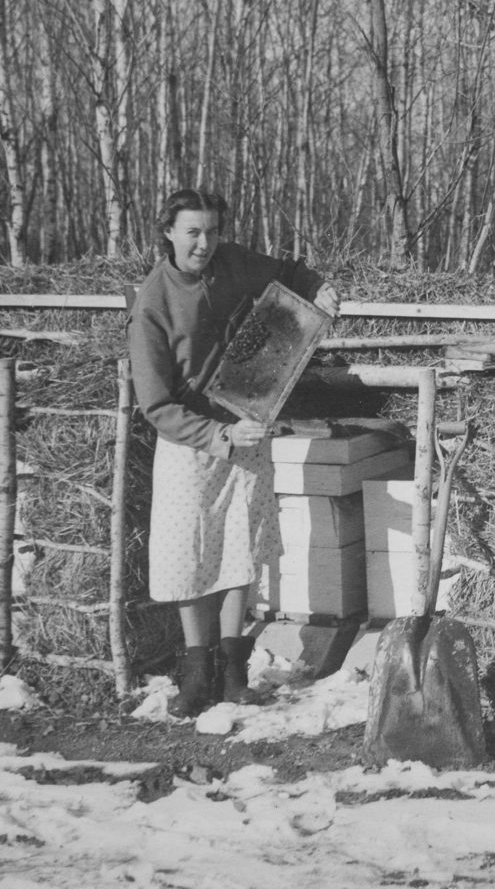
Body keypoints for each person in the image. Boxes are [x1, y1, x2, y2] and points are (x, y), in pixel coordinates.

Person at [127, 188, 340, 718]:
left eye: (213, 231)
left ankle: (232, 674)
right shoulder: (153, 302)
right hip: (191, 443)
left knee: (240, 549)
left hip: (248, 421)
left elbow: (290, 271)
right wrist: (219, 437)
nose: (204, 243)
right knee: (189, 557)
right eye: (193, 232)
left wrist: (322, 287)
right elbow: (155, 404)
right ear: (169, 232)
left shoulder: (235, 263)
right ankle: (196, 676)